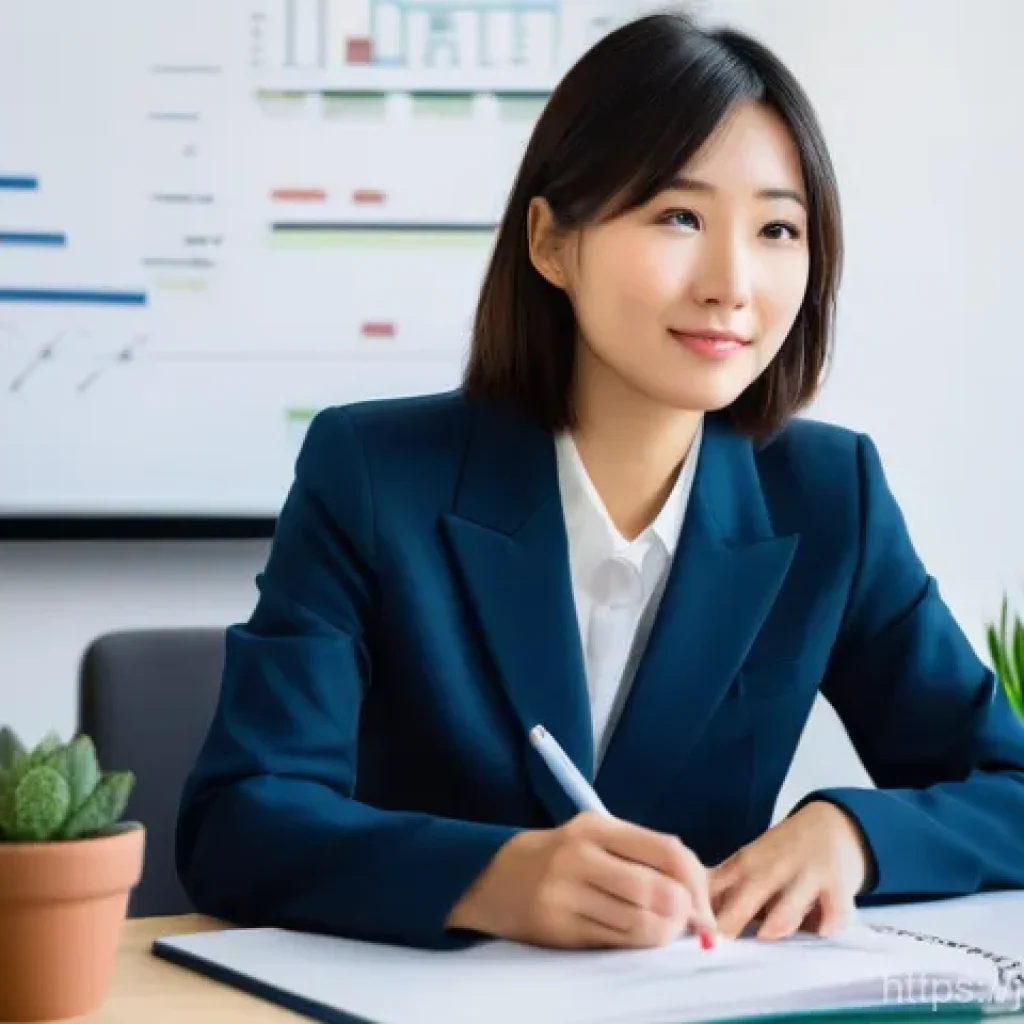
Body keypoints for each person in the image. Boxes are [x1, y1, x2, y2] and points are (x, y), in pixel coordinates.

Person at [175, 12, 1024, 953]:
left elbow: (1012, 788)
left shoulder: (831, 496)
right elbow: (238, 820)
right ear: (551, 242)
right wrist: (491, 879)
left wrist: (854, 836)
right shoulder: (374, 473)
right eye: (678, 217)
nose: (731, 283)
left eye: (778, 228)